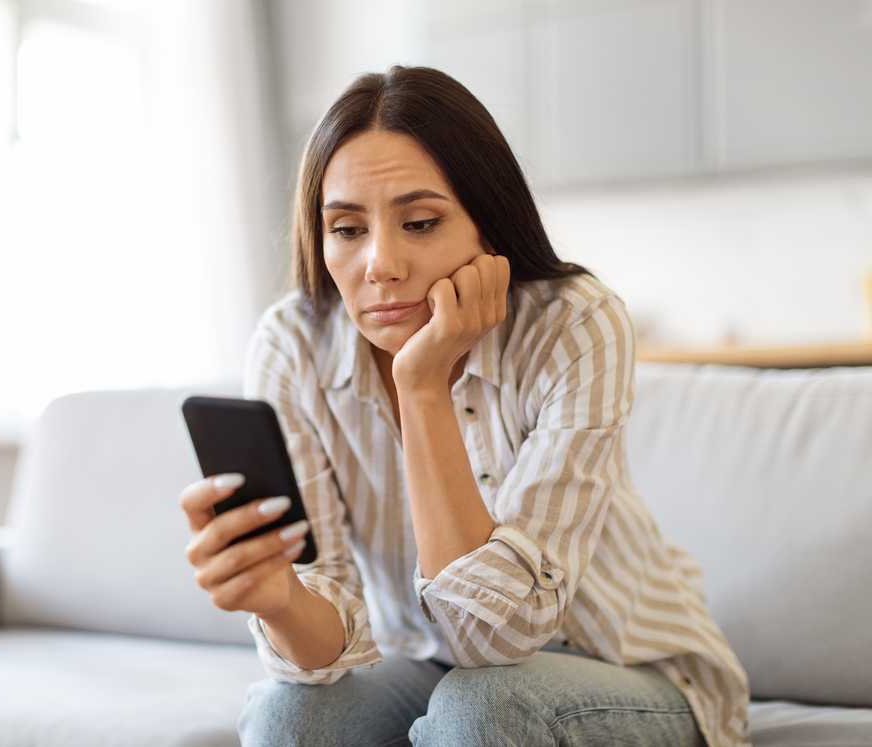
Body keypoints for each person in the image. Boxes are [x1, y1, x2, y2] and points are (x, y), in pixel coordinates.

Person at [178, 64, 751, 746]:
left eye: (419, 222)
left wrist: (424, 387)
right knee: (289, 714)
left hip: (630, 668)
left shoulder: (574, 325)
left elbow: (495, 637)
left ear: (488, 222)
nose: (380, 264)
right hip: (433, 663)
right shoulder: (293, 344)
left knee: (482, 708)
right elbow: (325, 640)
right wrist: (279, 600)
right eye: (347, 229)